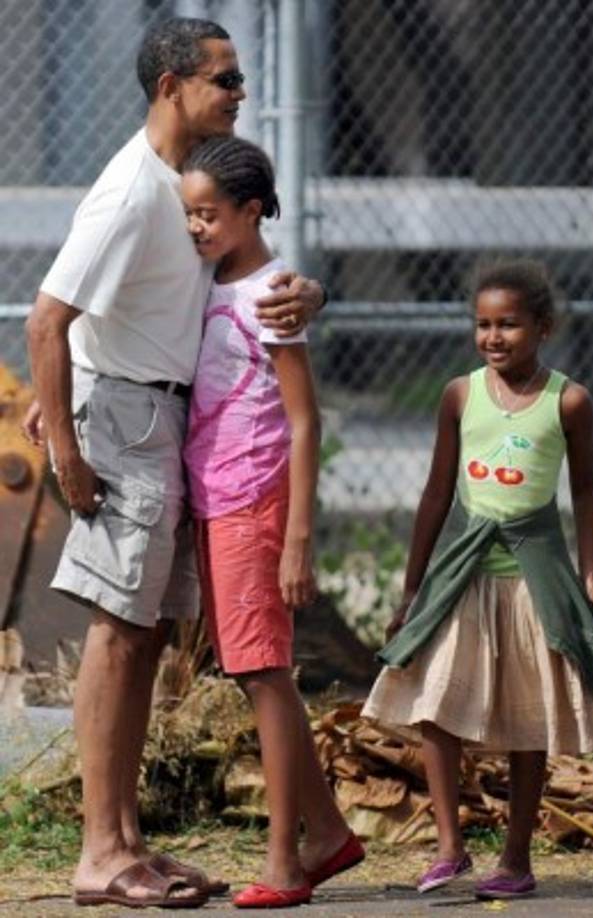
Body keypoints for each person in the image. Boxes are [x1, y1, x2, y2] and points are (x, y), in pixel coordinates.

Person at [25, 17, 327, 909]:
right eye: (224, 80)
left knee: (147, 631)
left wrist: (308, 291)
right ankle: (99, 853)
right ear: (172, 87)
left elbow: (231, 273)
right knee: (118, 631)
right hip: (125, 419)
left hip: (166, 416)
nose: (240, 93)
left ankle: (127, 842)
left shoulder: (190, 184)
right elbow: (47, 319)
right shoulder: (130, 192)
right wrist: (69, 444)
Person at [362, 259, 593, 901]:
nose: (493, 337)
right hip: (464, 575)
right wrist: (412, 589)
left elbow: (586, 492)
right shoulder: (460, 394)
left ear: (543, 327)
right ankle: (449, 847)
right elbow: (435, 492)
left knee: (529, 722)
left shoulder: (568, 401)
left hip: (533, 582)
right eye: (483, 324)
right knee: (434, 702)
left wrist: (591, 574)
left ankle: (516, 858)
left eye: (508, 324)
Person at [180, 134, 364, 909]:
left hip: (256, 499)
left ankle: (286, 859)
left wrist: (297, 541)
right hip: (214, 498)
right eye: (189, 214)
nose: (195, 226)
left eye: (208, 214)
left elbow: (305, 419)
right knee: (254, 671)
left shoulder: (272, 295)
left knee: (265, 675)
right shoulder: (207, 277)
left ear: (251, 210)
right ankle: (329, 836)